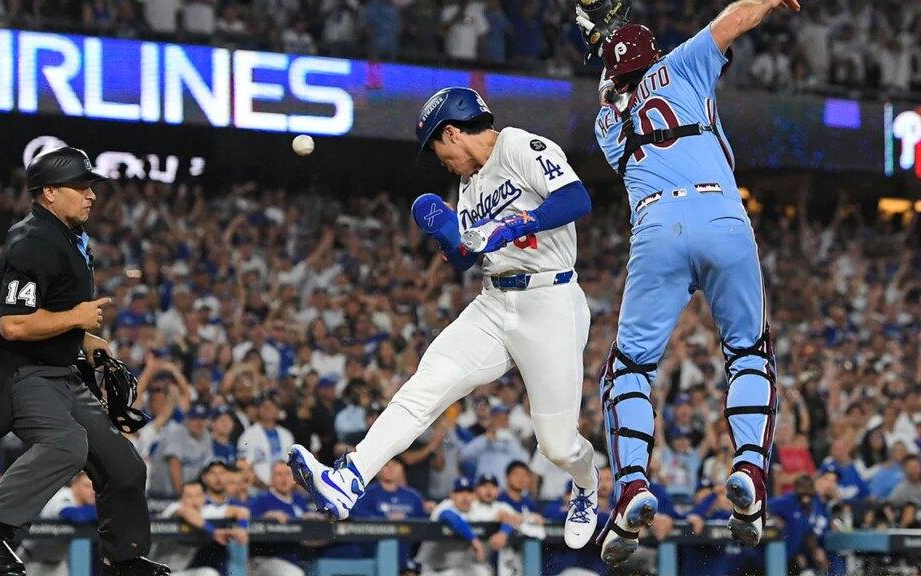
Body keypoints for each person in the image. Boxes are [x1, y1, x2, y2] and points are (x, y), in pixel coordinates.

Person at [289, 86, 600, 549]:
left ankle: (587, 483)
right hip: (494, 302)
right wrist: (449, 236)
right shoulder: (468, 185)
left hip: (550, 301)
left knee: (557, 445)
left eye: (435, 147)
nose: (439, 160)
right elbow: (468, 257)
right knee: (426, 385)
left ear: (451, 132)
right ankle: (348, 479)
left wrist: (515, 224)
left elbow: (576, 199)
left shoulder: (519, 146)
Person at [582, 0, 800, 564]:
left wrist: (607, 52)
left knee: (630, 367)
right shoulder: (679, 65)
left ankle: (632, 485)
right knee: (749, 353)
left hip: (657, 225)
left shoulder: (606, 124)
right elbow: (737, 17)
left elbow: (617, 91)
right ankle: (749, 471)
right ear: (653, 56)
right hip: (722, 212)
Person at [0, 147, 168, 575]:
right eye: (80, 187)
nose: (91, 195)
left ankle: (123, 560)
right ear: (49, 192)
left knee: (122, 464)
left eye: (90, 187)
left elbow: (50, 312)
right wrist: (76, 318)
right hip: (19, 371)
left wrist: (84, 339)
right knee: (65, 444)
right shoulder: (31, 241)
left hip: (60, 371)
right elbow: (14, 324)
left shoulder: (67, 235)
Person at [415, 477, 491, 576]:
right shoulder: (443, 507)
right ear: (452, 495)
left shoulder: (476, 509)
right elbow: (449, 516)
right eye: (460, 492)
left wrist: (503, 532)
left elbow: (504, 515)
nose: (465, 497)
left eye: (469, 492)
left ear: (474, 495)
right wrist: (474, 540)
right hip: (432, 570)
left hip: (458, 569)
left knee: (483, 572)